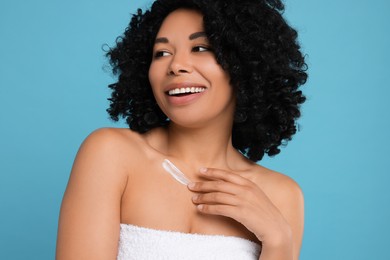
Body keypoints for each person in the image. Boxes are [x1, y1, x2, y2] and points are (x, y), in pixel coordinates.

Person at [56, 0, 307, 259]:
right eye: (161, 53)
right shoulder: (111, 154)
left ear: (245, 63)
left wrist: (278, 241)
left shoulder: (281, 195)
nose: (175, 65)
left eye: (200, 48)